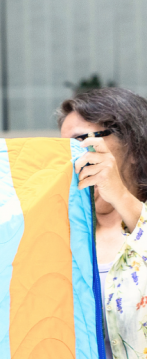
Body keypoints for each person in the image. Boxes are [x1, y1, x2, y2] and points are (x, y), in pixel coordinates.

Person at [58, 87, 147, 359]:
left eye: (80, 142)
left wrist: (120, 195)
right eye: (63, 149)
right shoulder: (60, 229)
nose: (72, 158)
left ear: (132, 145)